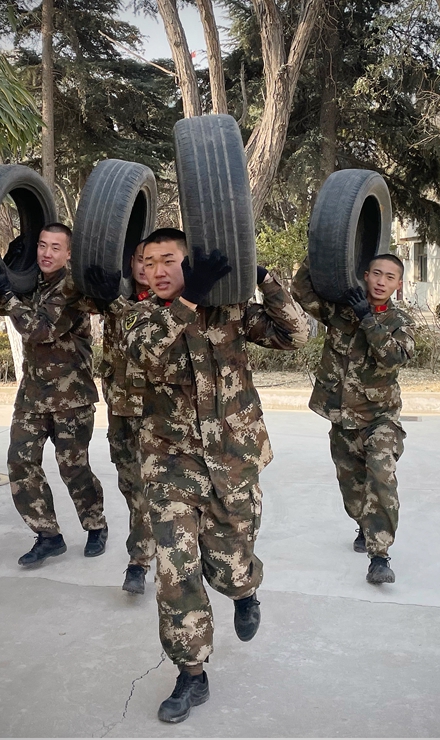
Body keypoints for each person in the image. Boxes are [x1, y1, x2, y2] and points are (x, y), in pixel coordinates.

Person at [124, 227, 309, 723]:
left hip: (233, 458)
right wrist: (188, 301)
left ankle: (244, 591)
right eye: (149, 262)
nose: (158, 270)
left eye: (169, 260)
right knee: (176, 570)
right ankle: (191, 673)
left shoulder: (230, 310)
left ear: (190, 261)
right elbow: (145, 352)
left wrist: (261, 277)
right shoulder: (140, 316)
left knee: (228, 567)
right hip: (171, 464)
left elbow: (297, 335)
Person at [0, 223, 119, 566]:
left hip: (72, 397)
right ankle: (48, 535)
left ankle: (95, 525)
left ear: (69, 253)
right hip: (33, 395)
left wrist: (8, 291)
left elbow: (39, 330)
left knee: (73, 467)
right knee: (20, 461)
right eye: (42, 245)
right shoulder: (31, 282)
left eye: (56, 247)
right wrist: (7, 274)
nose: (46, 253)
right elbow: (1, 308)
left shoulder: (72, 288)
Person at [292, 253, 415, 585]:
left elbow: (393, 357)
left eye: (390, 277)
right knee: (352, 485)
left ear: (398, 285)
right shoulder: (340, 311)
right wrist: (320, 244)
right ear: (365, 275)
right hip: (341, 415)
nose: (381, 281)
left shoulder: (399, 322)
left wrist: (368, 319)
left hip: (380, 418)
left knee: (381, 476)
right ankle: (364, 523)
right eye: (376, 273)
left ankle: (380, 556)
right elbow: (301, 291)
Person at [96, 241, 156, 594]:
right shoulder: (112, 296)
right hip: (120, 411)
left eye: (154, 261)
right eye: (140, 259)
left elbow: (136, 318)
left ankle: (139, 561)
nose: (146, 267)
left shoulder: (171, 303)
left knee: (150, 489)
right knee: (132, 486)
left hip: (157, 413)